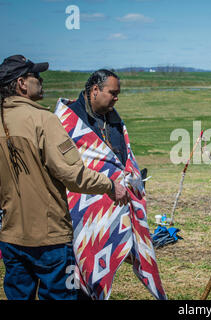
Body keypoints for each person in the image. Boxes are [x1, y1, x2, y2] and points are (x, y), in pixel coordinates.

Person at [0, 55, 130, 300]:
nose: (41, 80)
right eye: (35, 76)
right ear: (21, 84)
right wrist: (110, 185)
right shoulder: (44, 120)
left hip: (10, 237)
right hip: (50, 239)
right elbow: (72, 174)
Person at [53, 69, 166, 300]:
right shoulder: (67, 120)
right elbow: (68, 166)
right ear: (95, 90)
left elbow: (123, 156)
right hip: (80, 208)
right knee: (80, 263)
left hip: (115, 203)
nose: (116, 98)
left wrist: (131, 178)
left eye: (118, 93)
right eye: (112, 93)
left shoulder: (113, 118)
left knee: (97, 261)